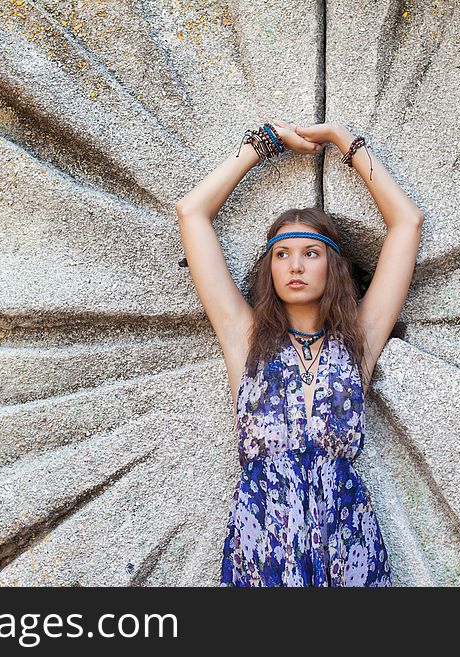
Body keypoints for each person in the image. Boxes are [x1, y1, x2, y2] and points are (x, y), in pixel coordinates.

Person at [175, 120, 424, 586]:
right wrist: (263, 143)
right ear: (269, 268)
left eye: (311, 253)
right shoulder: (245, 337)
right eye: (282, 254)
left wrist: (339, 139)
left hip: (347, 540)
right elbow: (192, 213)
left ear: (334, 266)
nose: (294, 265)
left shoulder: (358, 342)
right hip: (263, 536)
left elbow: (406, 223)